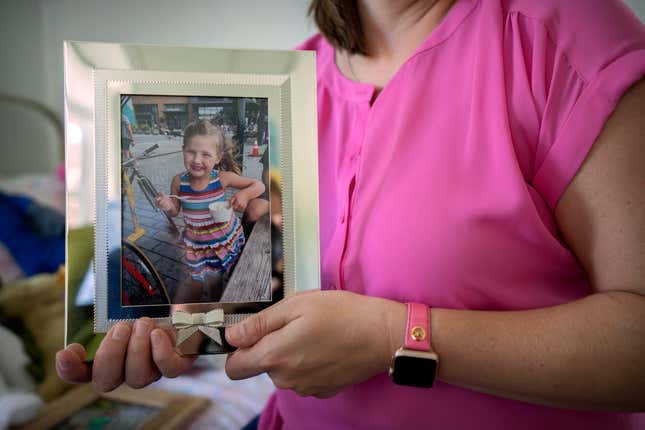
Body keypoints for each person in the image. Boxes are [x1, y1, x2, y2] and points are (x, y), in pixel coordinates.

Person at [57, 0, 645, 428]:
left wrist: (393, 337)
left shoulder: (564, 38)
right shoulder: (283, 86)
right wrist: (191, 330)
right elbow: (259, 295)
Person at [155, 119, 265, 302]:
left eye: (206, 154)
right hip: (196, 244)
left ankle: (216, 306)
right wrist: (168, 206)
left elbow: (259, 185)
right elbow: (175, 211)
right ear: (183, 151)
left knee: (215, 283)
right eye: (191, 152)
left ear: (218, 157)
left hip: (220, 242)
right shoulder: (178, 182)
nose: (197, 160)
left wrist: (245, 195)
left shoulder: (222, 178)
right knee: (194, 282)